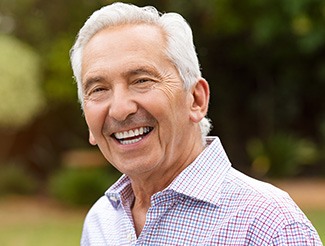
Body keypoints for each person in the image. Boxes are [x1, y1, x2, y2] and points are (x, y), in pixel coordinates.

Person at [70, 2, 322, 245]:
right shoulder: (102, 221)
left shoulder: (270, 225)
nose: (120, 109)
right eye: (99, 89)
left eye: (142, 81)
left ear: (196, 99)